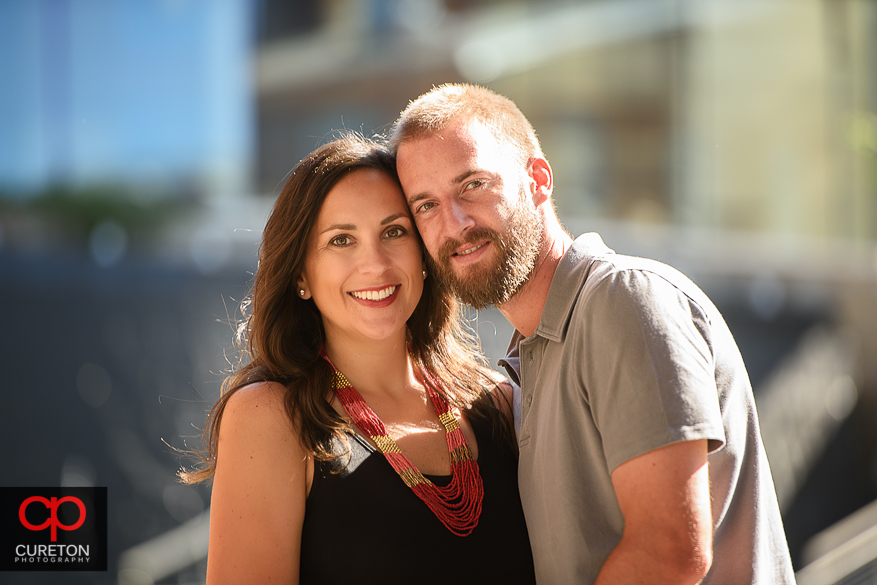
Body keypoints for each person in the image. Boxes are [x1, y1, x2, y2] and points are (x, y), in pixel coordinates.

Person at [391, 83, 796, 585]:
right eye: (425, 205)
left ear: (538, 179)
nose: (453, 223)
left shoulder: (623, 301)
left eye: (472, 184)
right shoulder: (529, 362)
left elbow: (669, 552)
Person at [181, 133, 536, 584]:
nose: (375, 264)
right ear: (301, 275)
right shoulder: (271, 418)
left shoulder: (501, 403)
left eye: (394, 232)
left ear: (424, 253)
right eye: (341, 240)